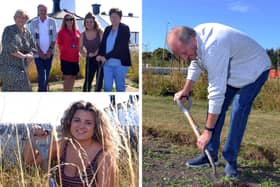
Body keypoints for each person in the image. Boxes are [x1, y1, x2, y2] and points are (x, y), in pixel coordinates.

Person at [167, 23, 271, 178]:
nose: (184, 58)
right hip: (234, 71)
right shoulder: (195, 41)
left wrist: (207, 131)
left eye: (183, 53)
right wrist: (186, 90)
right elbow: (195, 63)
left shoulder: (213, 45)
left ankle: (231, 161)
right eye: (179, 55)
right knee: (217, 110)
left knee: (238, 110)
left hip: (255, 70)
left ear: (192, 40)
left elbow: (216, 91)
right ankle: (210, 155)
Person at [24, 101, 117, 187]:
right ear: (70, 122)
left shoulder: (104, 156)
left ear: (96, 127)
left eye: (88, 123)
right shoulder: (62, 146)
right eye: (77, 120)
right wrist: (33, 137)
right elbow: (31, 162)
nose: (81, 126)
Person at [0, 10, 36, 91]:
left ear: (26, 19)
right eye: (18, 17)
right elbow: (9, 47)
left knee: (22, 88)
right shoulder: (8, 30)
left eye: (23, 17)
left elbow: (33, 48)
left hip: (22, 66)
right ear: (14, 18)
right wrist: (24, 56)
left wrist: (30, 55)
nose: (21, 19)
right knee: (21, 86)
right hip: (8, 65)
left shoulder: (28, 33)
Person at [97, 8, 131, 92]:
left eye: (116, 17)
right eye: (111, 17)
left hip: (120, 64)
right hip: (107, 64)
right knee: (107, 88)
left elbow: (120, 47)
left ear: (120, 18)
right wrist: (100, 55)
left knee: (120, 88)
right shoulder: (107, 29)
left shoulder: (125, 29)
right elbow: (103, 44)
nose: (113, 19)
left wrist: (106, 56)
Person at [29, 4, 57, 92]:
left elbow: (54, 37)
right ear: (38, 11)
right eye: (41, 10)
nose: (43, 12)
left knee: (46, 74)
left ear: (47, 11)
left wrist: (49, 50)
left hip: (50, 53)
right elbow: (32, 39)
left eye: (44, 10)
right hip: (38, 54)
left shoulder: (52, 21)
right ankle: (43, 92)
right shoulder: (33, 23)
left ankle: (42, 91)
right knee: (42, 74)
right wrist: (40, 52)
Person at [79, 12, 103, 92]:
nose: (89, 23)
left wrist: (96, 53)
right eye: (87, 22)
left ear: (94, 22)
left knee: (99, 81)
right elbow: (80, 48)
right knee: (87, 81)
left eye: (91, 22)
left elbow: (103, 45)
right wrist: (84, 54)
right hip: (90, 59)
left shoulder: (100, 32)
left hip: (100, 59)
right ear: (85, 23)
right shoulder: (82, 34)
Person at [57, 14, 80, 91]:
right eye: (67, 19)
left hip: (76, 59)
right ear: (64, 21)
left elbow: (80, 44)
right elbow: (59, 45)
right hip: (66, 59)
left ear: (74, 21)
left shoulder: (77, 32)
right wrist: (66, 51)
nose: (69, 21)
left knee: (73, 77)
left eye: (71, 19)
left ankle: (70, 93)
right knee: (67, 78)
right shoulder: (61, 32)